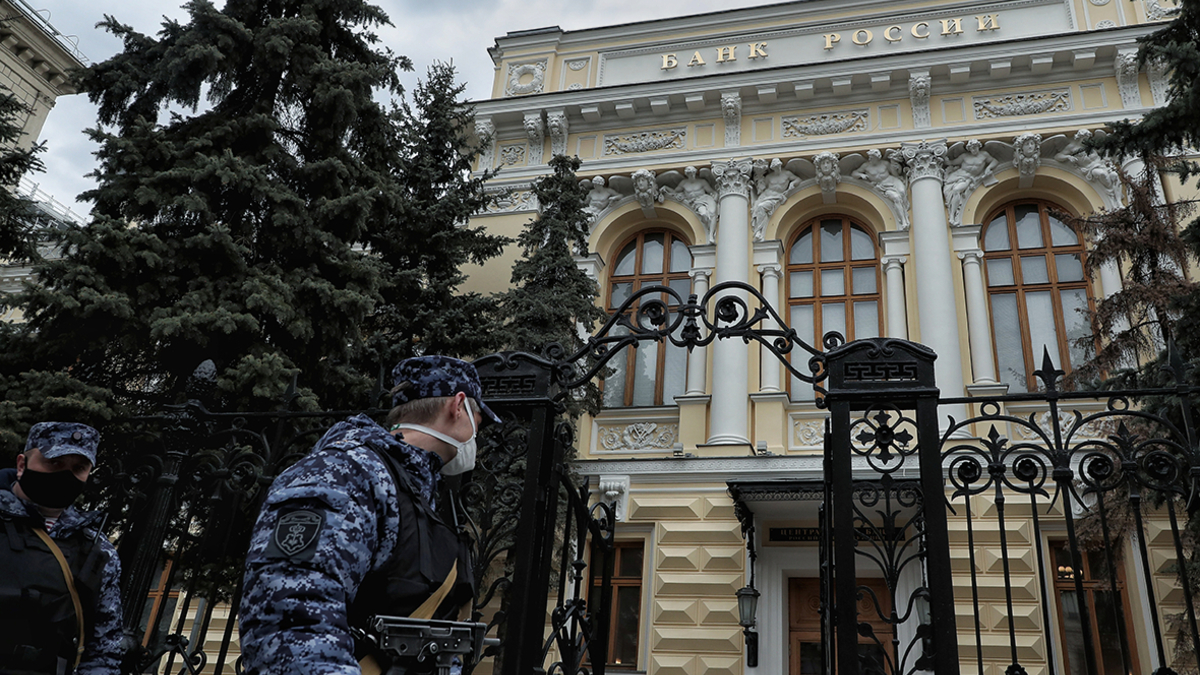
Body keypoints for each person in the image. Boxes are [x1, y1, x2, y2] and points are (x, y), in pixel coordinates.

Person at [239, 356, 501, 674]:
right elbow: (289, 620)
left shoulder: (418, 493)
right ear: (457, 406)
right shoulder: (343, 472)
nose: (479, 433)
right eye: (479, 418)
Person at [0, 422, 123, 675]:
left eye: (78, 468)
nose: (65, 476)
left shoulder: (99, 552)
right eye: (54, 463)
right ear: (22, 465)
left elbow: (103, 652)